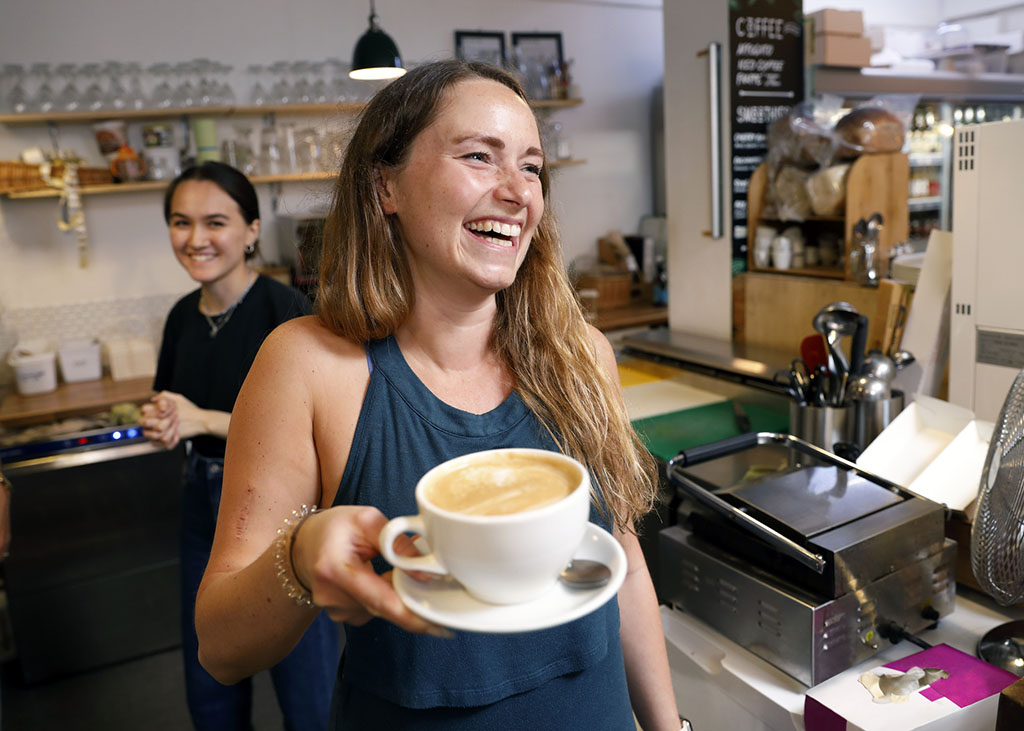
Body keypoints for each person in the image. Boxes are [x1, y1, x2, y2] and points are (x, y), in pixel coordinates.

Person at [195, 61, 682, 730]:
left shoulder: (583, 356)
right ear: (384, 183)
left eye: (533, 167)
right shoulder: (308, 366)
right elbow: (221, 649)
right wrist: (299, 555)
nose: (518, 192)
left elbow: (622, 567)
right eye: (480, 156)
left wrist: (669, 726)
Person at [140, 161, 339, 731]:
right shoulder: (182, 317)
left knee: (308, 683)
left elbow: (314, 431)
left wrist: (201, 418)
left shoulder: (288, 317)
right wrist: (167, 418)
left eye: (215, 222)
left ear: (251, 230)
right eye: (181, 222)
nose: (196, 239)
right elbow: (172, 396)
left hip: (282, 510)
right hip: (201, 501)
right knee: (210, 676)